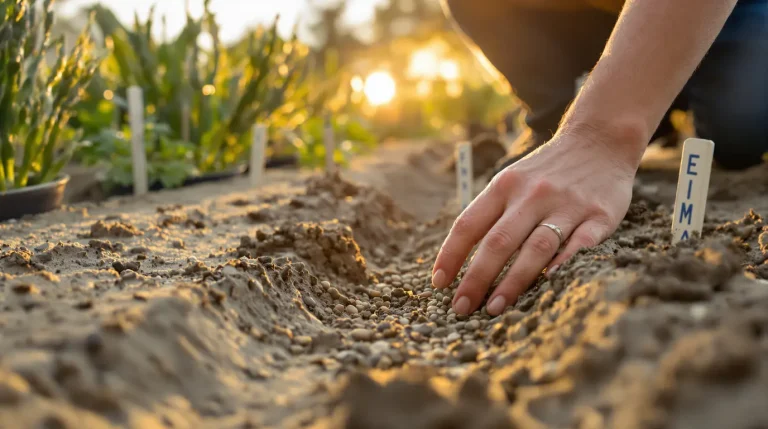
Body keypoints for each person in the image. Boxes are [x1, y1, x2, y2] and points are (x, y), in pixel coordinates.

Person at [431, 0, 768, 317]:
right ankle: (558, 112)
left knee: (740, 132)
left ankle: (663, 89)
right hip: (589, 17)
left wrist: (603, 135)